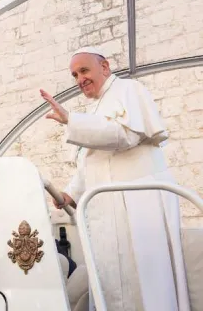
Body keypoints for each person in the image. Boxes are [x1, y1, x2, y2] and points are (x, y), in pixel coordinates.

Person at [40, 46, 190, 311]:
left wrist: (71, 120)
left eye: (84, 70)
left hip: (138, 204)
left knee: (145, 284)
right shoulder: (97, 107)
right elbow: (93, 162)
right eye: (74, 74)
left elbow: (124, 136)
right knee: (111, 283)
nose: (79, 79)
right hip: (109, 211)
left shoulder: (129, 90)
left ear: (105, 67)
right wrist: (71, 193)